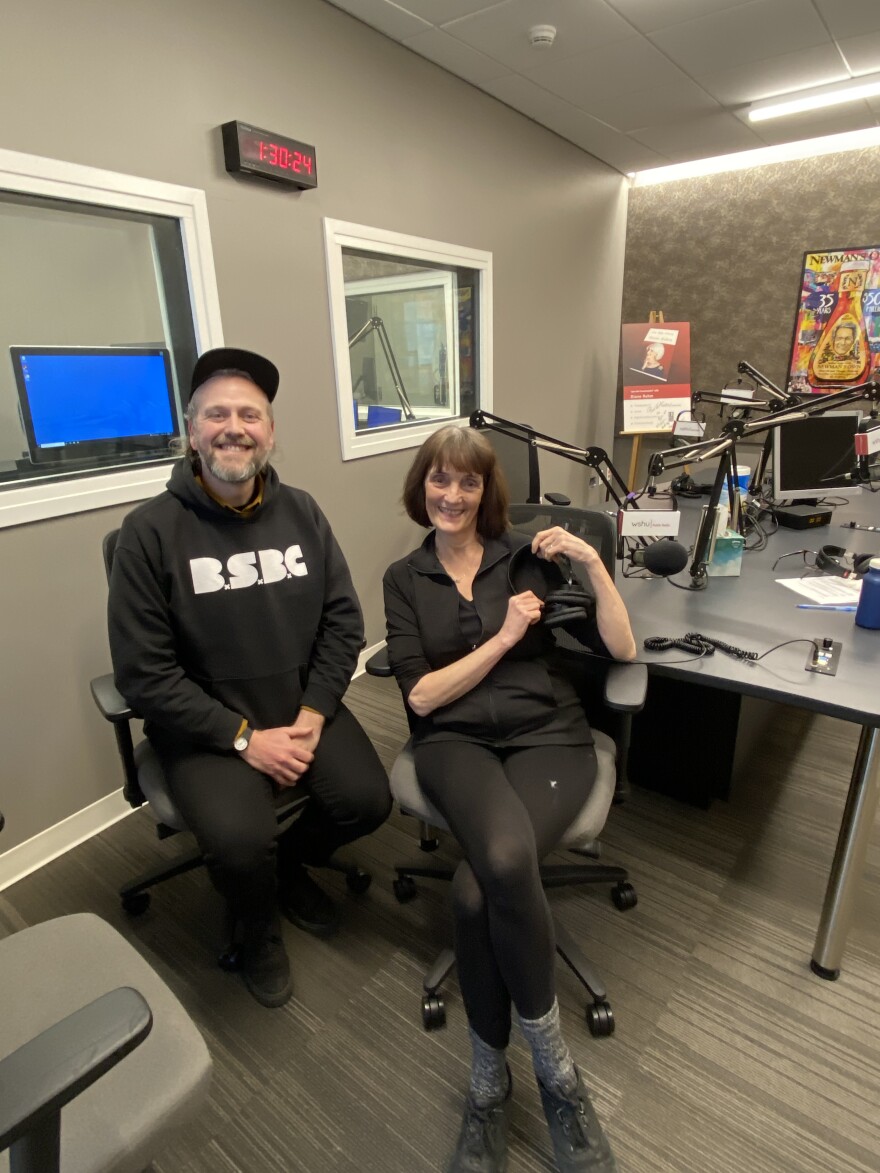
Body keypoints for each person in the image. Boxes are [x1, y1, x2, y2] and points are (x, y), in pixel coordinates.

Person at [383, 426, 636, 1173]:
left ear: (487, 492)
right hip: (453, 741)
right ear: (421, 486)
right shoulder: (404, 579)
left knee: (474, 887)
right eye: (439, 480)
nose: (451, 496)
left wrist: (592, 561)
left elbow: (623, 650)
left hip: (547, 738)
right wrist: (501, 637)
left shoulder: (529, 556)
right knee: (497, 858)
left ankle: (503, 1080)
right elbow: (423, 695)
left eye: (467, 483)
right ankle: (552, 1073)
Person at [108, 347, 391, 1008]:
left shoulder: (304, 513)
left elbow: (344, 624)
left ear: (270, 431)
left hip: (299, 709)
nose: (233, 426)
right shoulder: (147, 534)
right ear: (190, 429)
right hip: (208, 730)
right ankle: (255, 923)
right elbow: (143, 674)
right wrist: (243, 738)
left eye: (250, 414)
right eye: (217, 413)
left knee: (367, 802)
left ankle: (286, 869)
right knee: (239, 844)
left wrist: (315, 711)